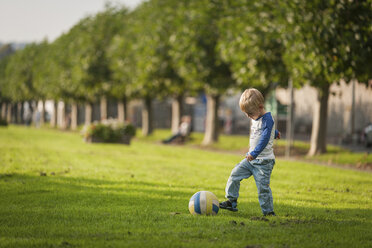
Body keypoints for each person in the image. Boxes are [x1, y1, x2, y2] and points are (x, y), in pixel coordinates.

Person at [219, 88, 280, 216]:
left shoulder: (268, 119)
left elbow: (264, 138)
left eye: (250, 113)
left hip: (263, 161)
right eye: (246, 113)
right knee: (235, 174)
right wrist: (275, 133)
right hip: (251, 160)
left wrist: (254, 153)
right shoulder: (255, 117)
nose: (248, 116)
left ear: (260, 107)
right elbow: (264, 132)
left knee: (263, 188)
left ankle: (269, 212)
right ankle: (231, 200)